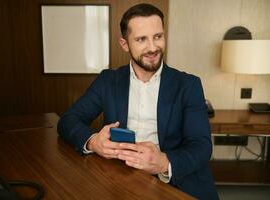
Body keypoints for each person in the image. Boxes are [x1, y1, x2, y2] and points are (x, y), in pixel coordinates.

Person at [58, 3, 219, 200]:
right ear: (124, 44)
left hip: (174, 182)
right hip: (119, 179)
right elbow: (68, 120)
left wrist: (163, 162)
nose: (153, 47)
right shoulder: (108, 81)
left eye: (157, 37)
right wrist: (93, 142)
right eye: (141, 39)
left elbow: (202, 146)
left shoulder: (188, 85)